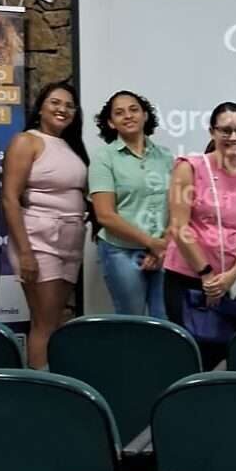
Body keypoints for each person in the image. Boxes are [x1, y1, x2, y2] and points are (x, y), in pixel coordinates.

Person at [164, 102, 236, 366]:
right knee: (188, 355)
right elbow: (179, 226)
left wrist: (229, 278)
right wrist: (207, 275)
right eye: (226, 130)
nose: (234, 137)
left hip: (230, 281)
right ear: (212, 132)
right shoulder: (190, 167)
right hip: (187, 277)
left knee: (225, 351)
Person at [2, 82, 90, 369]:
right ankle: (39, 389)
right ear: (40, 107)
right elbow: (10, 199)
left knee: (52, 321)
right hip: (38, 240)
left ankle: (48, 382)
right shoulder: (26, 141)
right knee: (44, 323)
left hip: (70, 241)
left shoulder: (71, 146)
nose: (62, 109)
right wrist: (25, 252)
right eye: (55, 102)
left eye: (69, 105)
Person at [89, 90, 173, 318]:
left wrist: (163, 244)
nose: (128, 116)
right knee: (133, 322)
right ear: (110, 122)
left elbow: (177, 206)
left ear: (145, 115)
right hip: (121, 251)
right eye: (119, 113)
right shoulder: (104, 158)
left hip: (164, 251)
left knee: (165, 322)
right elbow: (105, 215)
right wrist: (149, 242)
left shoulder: (165, 157)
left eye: (134, 109)